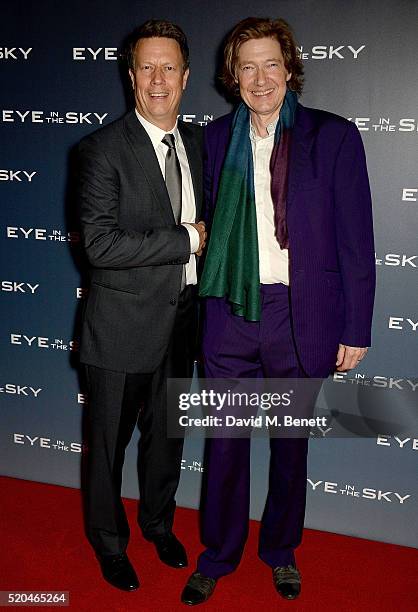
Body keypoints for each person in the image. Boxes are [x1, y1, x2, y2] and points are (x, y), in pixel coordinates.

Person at [181, 16, 375, 605]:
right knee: (225, 444)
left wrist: (356, 326)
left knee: (291, 444)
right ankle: (217, 554)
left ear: (289, 69)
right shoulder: (213, 141)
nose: (260, 77)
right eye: (247, 65)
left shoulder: (334, 137)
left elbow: (356, 239)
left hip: (301, 314)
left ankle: (281, 551)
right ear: (231, 75)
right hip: (230, 311)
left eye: (271, 63)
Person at [78, 19, 206, 591]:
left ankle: (157, 524)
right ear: (131, 77)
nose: (159, 79)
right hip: (120, 327)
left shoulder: (202, 143)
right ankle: (109, 544)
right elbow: (101, 246)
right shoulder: (100, 149)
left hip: (184, 323)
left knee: (168, 440)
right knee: (106, 447)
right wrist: (186, 239)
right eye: (147, 67)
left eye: (169, 67)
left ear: (186, 76)